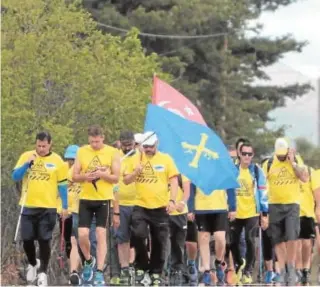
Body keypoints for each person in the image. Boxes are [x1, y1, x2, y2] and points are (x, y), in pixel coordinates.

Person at [12, 131, 68, 286]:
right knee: (27, 239)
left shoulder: (57, 161)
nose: (41, 149)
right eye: (38, 146)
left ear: (50, 144)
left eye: (44, 146)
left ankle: (43, 271)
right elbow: (15, 176)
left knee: (44, 239)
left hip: (48, 207)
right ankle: (32, 262)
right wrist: (26, 165)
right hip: (28, 205)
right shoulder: (27, 156)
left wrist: (65, 206)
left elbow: (62, 185)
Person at [124, 131, 179, 286]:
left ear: (157, 144)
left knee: (160, 241)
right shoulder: (135, 158)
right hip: (140, 205)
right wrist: (136, 172)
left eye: (151, 146)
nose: (148, 149)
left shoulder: (166, 159)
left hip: (160, 207)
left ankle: (155, 272)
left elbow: (174, 180)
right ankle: (141, 265)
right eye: (146, 146)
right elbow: (126, 180)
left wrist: (173, 200)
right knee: (138, 234)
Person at [72, 125, 121, 285]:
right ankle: (88, 260)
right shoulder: (82, 151)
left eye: (97, 141)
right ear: (88, 139)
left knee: (100, 234)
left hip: (103, 199)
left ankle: (99, 271)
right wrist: (86, 176)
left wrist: (103, 174)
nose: (94, 145)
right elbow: (75, 175)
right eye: (92, 141)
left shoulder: (112, 152)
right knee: (83, 235)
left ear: (103, 138)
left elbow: (116, 178)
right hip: (86, 198)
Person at [262, 137, 309, 285]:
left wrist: (292, 162)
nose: (282, 157)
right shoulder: (268, 163)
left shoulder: (296, 159)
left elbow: (304, 178)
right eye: (280, 155)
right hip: (274, 205)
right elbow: (262, 186)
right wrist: (263, 212)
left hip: (292, 205)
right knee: (278, 240)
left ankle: (291, 267)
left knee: (292, 237)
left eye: (284, 154)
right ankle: (281, 269)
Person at [230, 142, 268, 284]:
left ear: (252, 155)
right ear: (239, 154)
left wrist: (264, 214)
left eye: (249, 154)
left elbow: (263, 192)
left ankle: (248, 271)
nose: (246, 156)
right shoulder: (232, 170)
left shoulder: (256, 171)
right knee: (233, 242)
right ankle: (240, 263)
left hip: (252, 212)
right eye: (244, 153)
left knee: (250, 239)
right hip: (235, 213)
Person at [61, 145, 98, 286]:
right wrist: (63, 208)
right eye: (69, 159)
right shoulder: (66, 171)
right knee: (74, 243)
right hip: (70, 212)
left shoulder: (86, 169)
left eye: (73, 159)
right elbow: (61, 191)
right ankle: (75, 273)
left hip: (87, 211)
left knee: (89, 242)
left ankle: (91, 273)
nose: (70, 162)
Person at [188, 184, 236, 285]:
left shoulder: (223, 168)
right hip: (201, 208)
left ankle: (218, 262)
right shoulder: (197, 168)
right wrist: (190, 208)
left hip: (220, 208)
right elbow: (191, 187)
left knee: (220, 238)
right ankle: (206, 270)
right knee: (204, 238)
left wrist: (232, 207)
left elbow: (230, 185)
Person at [116, 131, 139, 285]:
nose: (127, 148)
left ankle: (133, 266)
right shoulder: (116, 157)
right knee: (122, 238)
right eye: (124, 145)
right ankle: (124, 268)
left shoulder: (141, 156)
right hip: (121, 202)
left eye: (129, 145)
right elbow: (121, 182)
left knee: (138, 237)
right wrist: (115, 211)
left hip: (139, 203)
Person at [295, 166, 320, 284]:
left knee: (307, 244)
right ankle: (298, 270)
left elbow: (317, 194)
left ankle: (306, 269)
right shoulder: (290, 173)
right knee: (296, 244)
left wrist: (318, 208)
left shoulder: (312, 173)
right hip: (293, 213)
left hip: (308, 214)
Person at [167, 174, 190, 286]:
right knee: (165, 241)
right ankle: (165, 268)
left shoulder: (182, 174)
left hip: (180, 214)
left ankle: (179, 269)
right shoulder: (163, 170)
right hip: (165, 213)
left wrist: (182, 202)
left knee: (179, 243)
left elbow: (187, 191)